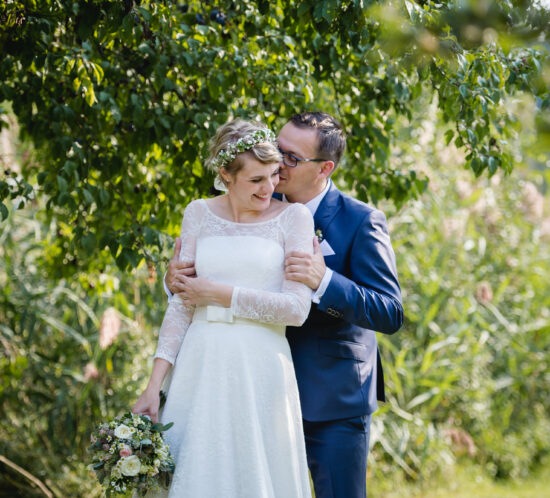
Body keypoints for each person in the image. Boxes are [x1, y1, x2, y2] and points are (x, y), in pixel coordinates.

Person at [166, 112, 404, 498]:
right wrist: (173, 279)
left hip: (332, 397)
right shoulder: (255, 197)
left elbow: (389, 311)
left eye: (291, 157)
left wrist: (323, 280)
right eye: (278, 148)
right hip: (255, 384)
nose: (279, 162)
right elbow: (212, 271)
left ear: (324, 168)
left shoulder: (360, 220)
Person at [133, 118, 315, 498]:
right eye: (255, 180)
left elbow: (296, 309)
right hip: (200, 365)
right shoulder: (198, 213)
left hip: (260, 366)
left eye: (273, 175)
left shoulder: (294, 218)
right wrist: (153, 385)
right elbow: (182, 303)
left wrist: (220, 293)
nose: (269, 188)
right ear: (225, 175)